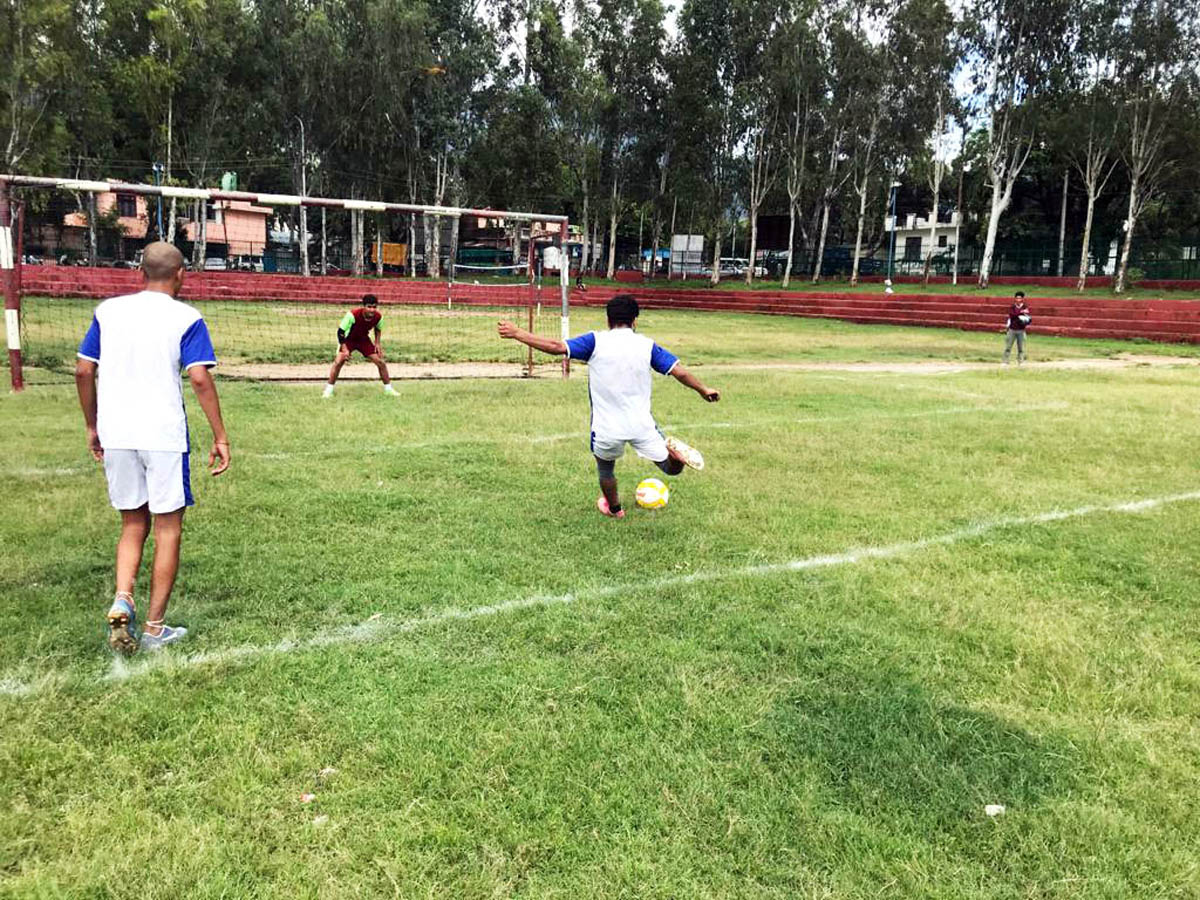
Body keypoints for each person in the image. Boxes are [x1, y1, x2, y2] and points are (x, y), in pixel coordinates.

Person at [75, 241, 231, 654]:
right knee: (168, 530)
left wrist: (92, 426)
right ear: (181, 274)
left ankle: (122, 595)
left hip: (117, 433)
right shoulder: (187, 317)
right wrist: (220, 435)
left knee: (131, 524)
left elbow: (83, 369)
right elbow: (199, 378)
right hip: (162, 436)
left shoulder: (108, 311)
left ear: (139, 272)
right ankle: (155, 627)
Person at [498, 294, 720, 519]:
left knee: (606, 470)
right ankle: (675, 458)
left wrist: (518, 333)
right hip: (641, 425)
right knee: (668, 469)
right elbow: (678, 371)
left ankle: (615, 509)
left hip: (607, 427)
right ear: (635, 321)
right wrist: (704, 390)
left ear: (608, 320)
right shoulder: (647, 346)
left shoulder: (595, 341)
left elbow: (556, 347)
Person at [323, 294, 399, 397]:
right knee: (338, 361)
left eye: (374, 307)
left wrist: (377, 343)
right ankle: (328, 390)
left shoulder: (378, 317)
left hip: (363, 340)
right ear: (364, 306)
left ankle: (388, 390)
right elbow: (340, 332)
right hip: (348, 340)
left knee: (380, 362)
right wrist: (345, 349)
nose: (372, 310)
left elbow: (378, 328)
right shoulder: (352, 315)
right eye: (369, 307)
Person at [1004, 291, 1031, 365]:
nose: (1018, 300)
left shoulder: (1025, 307)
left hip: (1021, 330)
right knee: (1008, 347)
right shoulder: (1012, 307)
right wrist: (1021, 312)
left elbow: (1028, 317)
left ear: (1022, 299)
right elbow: (1012, 315)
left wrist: (1022, 314)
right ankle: (1005, 361)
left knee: (1021, 348)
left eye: (1020, 298)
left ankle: (1021, 361)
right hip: (1012, 329)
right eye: (1017, 298)